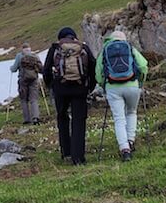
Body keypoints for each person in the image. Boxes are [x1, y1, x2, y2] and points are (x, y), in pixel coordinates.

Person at [43, 27, 96, 165]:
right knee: (79, 121)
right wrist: (90, 86)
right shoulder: (83, 48)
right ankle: (78, 157)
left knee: (62, 117)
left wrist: (51, 85)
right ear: (74, 36)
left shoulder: (55, 48)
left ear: (60, 37)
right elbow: (92, 66)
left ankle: (65, 152)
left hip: (60, 89)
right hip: (80, 89)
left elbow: (46, 69)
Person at [95, 30, 148, 161]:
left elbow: (98, 72)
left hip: (112, 87)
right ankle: (130, 140)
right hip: (132, 85)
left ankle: (125, 149)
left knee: (119, 119)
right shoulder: (130, 48)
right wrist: (140, 81)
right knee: (131, 112)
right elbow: (143, 65)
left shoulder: (105, 50)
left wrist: (104, 85)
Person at [9, 43, 43, 124]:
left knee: (24, 100)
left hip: (23, 80)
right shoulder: (35, 56)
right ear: (30, 48)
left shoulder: (19, 56)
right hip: (34, 80)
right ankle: (36, 117)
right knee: (34, 99)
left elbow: (14, 69)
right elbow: (40, 68)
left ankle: (27, 119)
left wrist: (11, 68)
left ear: (22, 49)